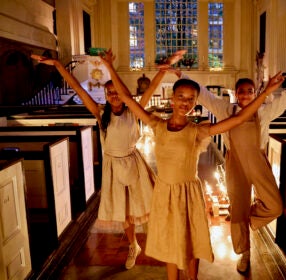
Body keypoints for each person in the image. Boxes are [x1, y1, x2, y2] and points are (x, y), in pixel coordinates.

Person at [99, 49, 286, 280]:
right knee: (170, 242)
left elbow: (238, 119)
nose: (185, 102)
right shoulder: (156, 124)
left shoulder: (198, 131)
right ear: (172, 98)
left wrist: (266, 92)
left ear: (196, 102)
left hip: (189, 193)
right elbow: (127, 98)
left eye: (190, 99)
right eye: (181, 97)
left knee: (191, 241)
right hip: (164, 193)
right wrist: (108, 66)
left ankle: (193, 278)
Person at [173, 64, 286, 274]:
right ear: (235, 93)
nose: (245, 95)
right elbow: (204, 95)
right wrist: (181, 74)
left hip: (258, 160)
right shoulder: (225, 109)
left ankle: (247, 221)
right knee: (238, 207)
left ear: (255, 93)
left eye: (249, 91)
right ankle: (244, 252)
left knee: (275, 206)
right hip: (235, 162)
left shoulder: (264, 110)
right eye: (241, 91)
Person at [31, 50, 185, 270]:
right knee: (125, 213)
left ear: (123, 93)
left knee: (151, 205)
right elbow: (76, 86)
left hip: (133, 163)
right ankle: (134, 245)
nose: (114, 95)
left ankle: (165, 241)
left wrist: (165, 68)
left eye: (117, 92)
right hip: (113, 166)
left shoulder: (133, 110)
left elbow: (150, 88)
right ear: (104, 96)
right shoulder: (100, 112)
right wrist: (57, 64)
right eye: (109, 92)